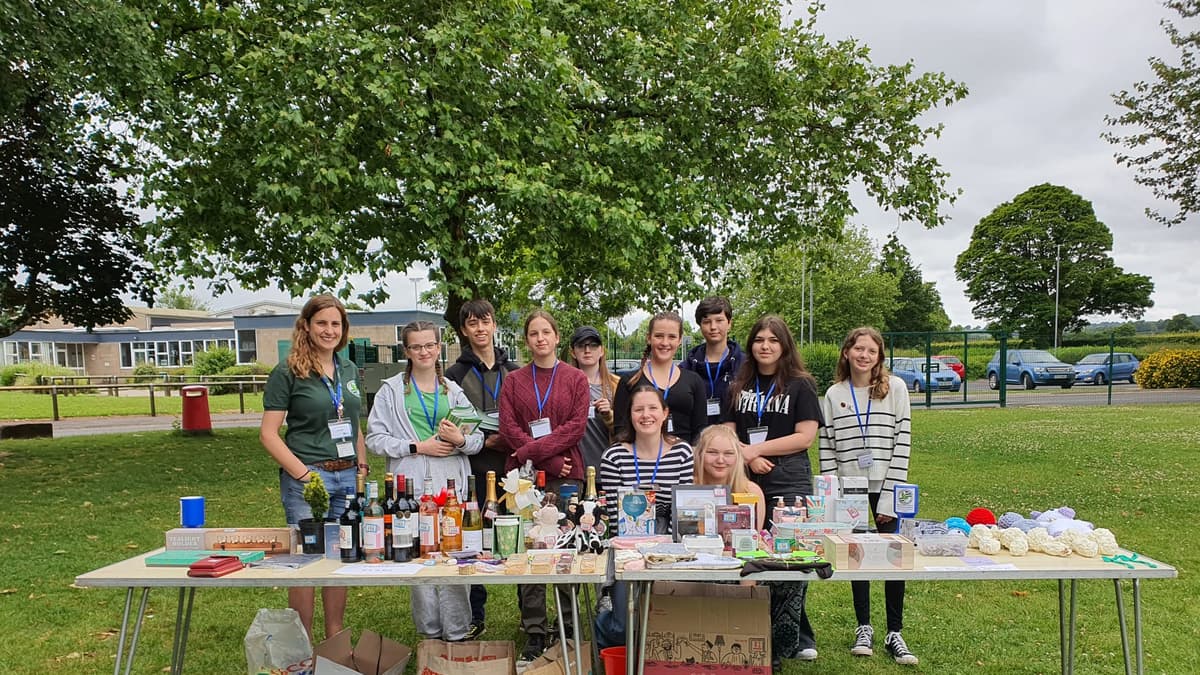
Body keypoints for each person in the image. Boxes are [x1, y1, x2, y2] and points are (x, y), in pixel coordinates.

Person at [365, 320, 483, 641]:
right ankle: (430, 634)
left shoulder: (453, 391)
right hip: (411, 486)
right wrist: (417, 446)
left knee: (454, 554)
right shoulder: (390, 392)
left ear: (438, 347)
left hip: (451, 486)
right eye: (416, 346)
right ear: (406, 351)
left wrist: (459, 439)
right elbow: (374, 440)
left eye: (430, 345)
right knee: (418, 554)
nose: (424, 352)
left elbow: (478, 439)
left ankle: (457, 632)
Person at [260, 294, 367, 641]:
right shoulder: (288, 370)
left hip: (348, 473)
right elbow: (268, 434)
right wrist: (304, 475)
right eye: (321, 323)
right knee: (305, 559)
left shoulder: (349, 368)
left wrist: (362, 467)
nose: (329, 330)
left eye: (336, 323)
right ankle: (302, 643)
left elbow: (354, 425)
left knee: (340, 554)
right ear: (306, 325)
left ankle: (334, 637)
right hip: (308, 475)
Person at [721, 314, 822, 666]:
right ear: (750, 345)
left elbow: (805, 436)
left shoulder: (800, 384)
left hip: (788, 477)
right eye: (760, 339)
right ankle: (752, 633)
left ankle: (786, 641)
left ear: (784, 346)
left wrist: (757, 450)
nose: (765, 346)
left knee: (788, 560)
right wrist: (746, 457)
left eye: (773, 340)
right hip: (746, 477)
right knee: (746, 555)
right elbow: (730, 431)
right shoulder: (739, 385)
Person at [818, 326, 918, 665]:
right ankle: (864, 627)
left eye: (871, 351)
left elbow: (902, 442)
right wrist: (834, 492)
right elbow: (827, 446)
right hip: (850, 490)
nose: (864, 355)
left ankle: (895, 631)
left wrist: (890, 495)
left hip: (886, 487)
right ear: (846, 352)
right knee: (857, 557)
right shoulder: (833, 394)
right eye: (858, 349)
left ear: (880, 357)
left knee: (894, 557)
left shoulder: (896, 389)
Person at [498, 309, 591, 661]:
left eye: (546, 332)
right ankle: (534, 629)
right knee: (530, 551)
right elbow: (509, 430)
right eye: (533, 333)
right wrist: (545, 460)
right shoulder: (514, 381)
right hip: (524, 479)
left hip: (569, 476)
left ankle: (568, 627)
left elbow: (575, 427)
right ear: (526, 340)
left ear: (556, 337)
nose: (540, 339)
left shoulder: (575, 379)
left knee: (565, 549)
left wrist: (533, 453)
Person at [594, 383, 695, 648]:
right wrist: (632, 556)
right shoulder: (614, 457)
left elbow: (680, 511)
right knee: (621, 629)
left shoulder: (683, 453)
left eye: (653, 408)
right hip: (626, 544)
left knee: (665, 621)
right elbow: (614, 518)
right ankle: (604, 618)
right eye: (639, 409)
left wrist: (671, 558)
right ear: (630, 414)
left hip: (666, 541)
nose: (646, 415)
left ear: (665, 413)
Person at [444, 299, 518, 639]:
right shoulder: (454, 375)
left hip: (513, 466)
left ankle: (528, 615)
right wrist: (487, 442)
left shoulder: (514, 370)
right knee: (472, 539)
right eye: (472, 323)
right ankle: (475, 614)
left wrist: (511, 440)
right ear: (464, 330)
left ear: (494, 324)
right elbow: (450, 423)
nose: (480, 328)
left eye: (485, 321)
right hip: (473, 465)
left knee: (519, 538)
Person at [613, 311, 708, 444]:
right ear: (649, 338)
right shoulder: (629, 381)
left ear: (680, 340)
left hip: (683, 459)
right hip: (640, 459)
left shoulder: (694, 381)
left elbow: (700, 430)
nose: (665, 342)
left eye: (672, 337)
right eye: (659, 336)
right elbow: (620, 430)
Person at [681, 296, 746, 427]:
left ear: (729, 323)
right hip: (698, 442)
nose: (713, 327)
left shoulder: (746, 365)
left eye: (719, 320)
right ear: (700, 325)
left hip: (736, 442)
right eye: (707, 321)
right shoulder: (685, 369)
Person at [567, 325, 620, 472]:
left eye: (593, 345)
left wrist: (609, 415)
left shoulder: (617, 385)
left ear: (602, 350)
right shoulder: (563, 384)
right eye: (581, 345)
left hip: (608, 468)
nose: (587, 350)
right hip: (573, 470)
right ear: (573, 352)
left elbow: (627, 430)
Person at [692, 424, 765, 530]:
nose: (720, 460)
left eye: (728, 453)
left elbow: (755, 538)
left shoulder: (751, 491)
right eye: (712, 452)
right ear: (699, 454)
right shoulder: (688, 487)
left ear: (738, 457)